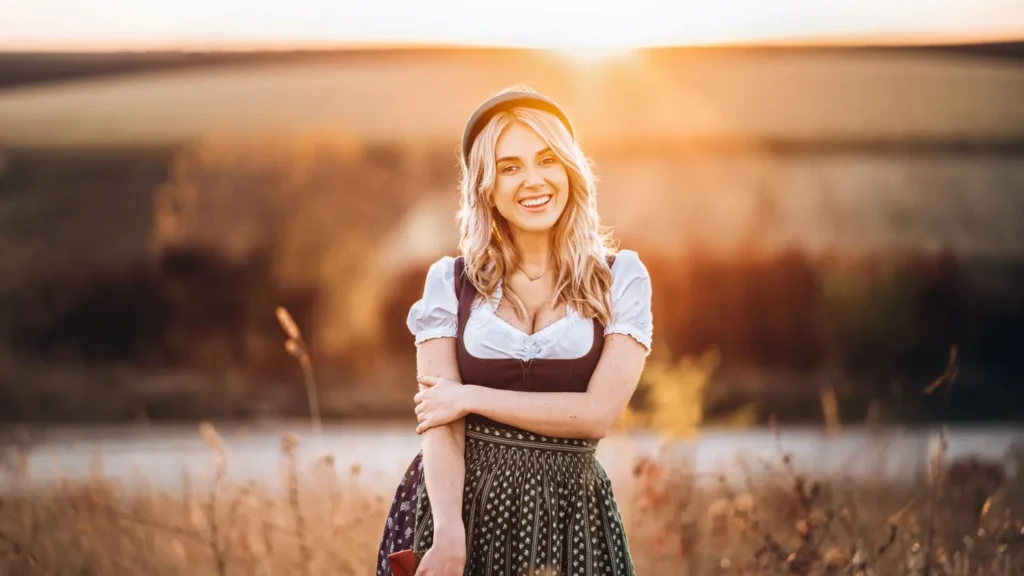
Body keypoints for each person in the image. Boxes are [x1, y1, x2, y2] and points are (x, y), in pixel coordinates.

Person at [376, 86, 652, 576]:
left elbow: (596, 415)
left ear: (569, 169)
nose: (533, 180)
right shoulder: (449, 283)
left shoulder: (620, 279)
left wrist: (470, 396)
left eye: (547, 159)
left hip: (571, 515)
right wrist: (448, 533)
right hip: (459, 508)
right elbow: (441, 421)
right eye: (509, 167)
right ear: (485, 185)